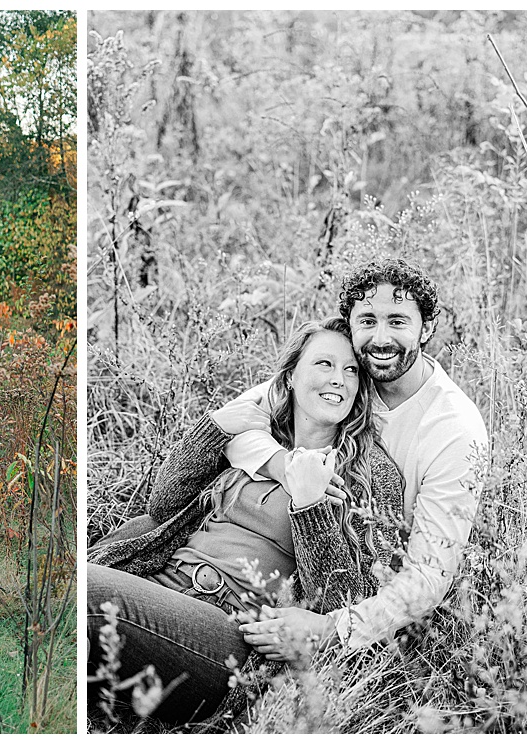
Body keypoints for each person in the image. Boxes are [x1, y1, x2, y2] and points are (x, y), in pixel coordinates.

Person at [87, 317, 408, 725]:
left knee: (87, 593)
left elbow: (343, 600)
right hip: (161, 588)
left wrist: (309, 505)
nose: (340, 380)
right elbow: (163, 506)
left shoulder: (371, 474)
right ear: (290, 376)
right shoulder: (258, 441)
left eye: (351, 371)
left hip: (225, 632)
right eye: (324, 364)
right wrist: (214, 430)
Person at [217, 258, 488, 655]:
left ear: (426, 328)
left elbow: (429, 574)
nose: (379, 338)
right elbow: (240, 421)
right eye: (367, 320)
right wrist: (286, 467)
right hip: (274, 547)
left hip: (354, 585)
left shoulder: (454, 430)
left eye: (397, 321)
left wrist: (333, 628)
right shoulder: (343, 375)